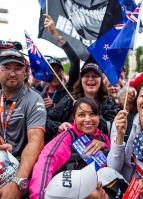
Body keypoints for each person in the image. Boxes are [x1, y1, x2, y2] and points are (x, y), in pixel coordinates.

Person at [29, 97, 110, 199]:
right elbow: (46, 163)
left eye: (93, 114)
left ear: (99, 117)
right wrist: (40, 196)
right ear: (74, 118)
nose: (88, 119)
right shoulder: (68, 136)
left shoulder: (103, 138)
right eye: (81, 115)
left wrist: (104, 145)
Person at [0, 49, 46, 198]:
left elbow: (36, 141)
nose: (12, 73)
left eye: (18, 68)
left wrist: (18, 182)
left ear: (25, 72)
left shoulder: (34, 99)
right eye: (7, 68)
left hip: (22, 173)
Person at [45, 63, 118, 142]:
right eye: (86, 76)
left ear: (101, 80)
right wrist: (59, 126)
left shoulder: (108, 101)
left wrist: (88, 110)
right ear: (81, 79)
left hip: (99, 149)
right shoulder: (70, 99)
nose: (90, 79)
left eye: (95, 76)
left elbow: (111, 128)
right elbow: (48, 120)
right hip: (71, 150)